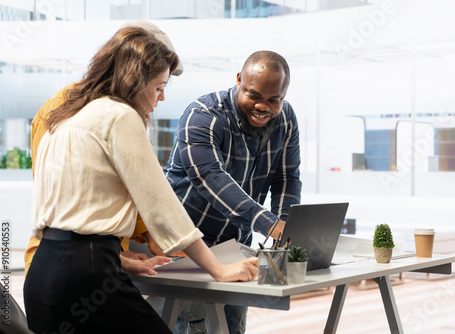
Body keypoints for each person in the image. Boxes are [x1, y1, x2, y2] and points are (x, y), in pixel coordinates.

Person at [24, 26, 258, 334]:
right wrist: (219, 268)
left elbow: (68, 217)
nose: (161, 97)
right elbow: (161, 204)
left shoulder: (66, 115)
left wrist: (115, 259)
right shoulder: (121, 116)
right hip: (87, 276)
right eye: (159, 86)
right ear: (134, 81)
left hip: (43, 277)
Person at [24, 20, 178, 276]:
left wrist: (126, 246)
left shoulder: (121, 111)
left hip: (101, 257)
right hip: (63, 262)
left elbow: (124, 185)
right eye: (157, 83)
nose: (160, 96)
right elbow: (68, 200)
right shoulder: (67, 107)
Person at [165, 50, 301, 333]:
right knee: (194, 328)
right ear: (239, 79)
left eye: (274, 99)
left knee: (232, 328)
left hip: (236, 247)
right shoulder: (202, 115)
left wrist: (287, 232)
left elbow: (286, 177)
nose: (263, 107)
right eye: (254, 95)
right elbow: (211, 179)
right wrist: (271, 224)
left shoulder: (285, 119)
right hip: (187, 247)